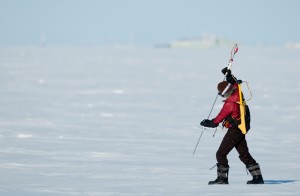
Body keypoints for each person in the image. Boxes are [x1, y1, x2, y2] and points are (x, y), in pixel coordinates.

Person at [200, 67, 264, 185]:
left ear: (224, 93)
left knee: (220, 154)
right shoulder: (238, 94)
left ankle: (222, 179)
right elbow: (235, 84)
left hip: (235, 131)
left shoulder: (229, 104)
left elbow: (217, 120)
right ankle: (258, 177)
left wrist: (208, 123)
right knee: (244, 154)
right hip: (241, 129)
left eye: (221, 95)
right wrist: (229, 75)